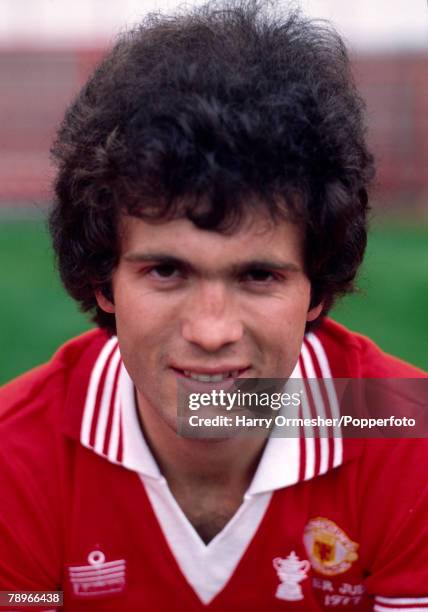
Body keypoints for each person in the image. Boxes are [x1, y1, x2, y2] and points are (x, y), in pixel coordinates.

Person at [0, 1, 427, 610]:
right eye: (166, 270)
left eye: (258, 275)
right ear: (103, 281)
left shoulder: (408, 435)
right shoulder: (14, 456)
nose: (210, 330)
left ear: (318, 289)